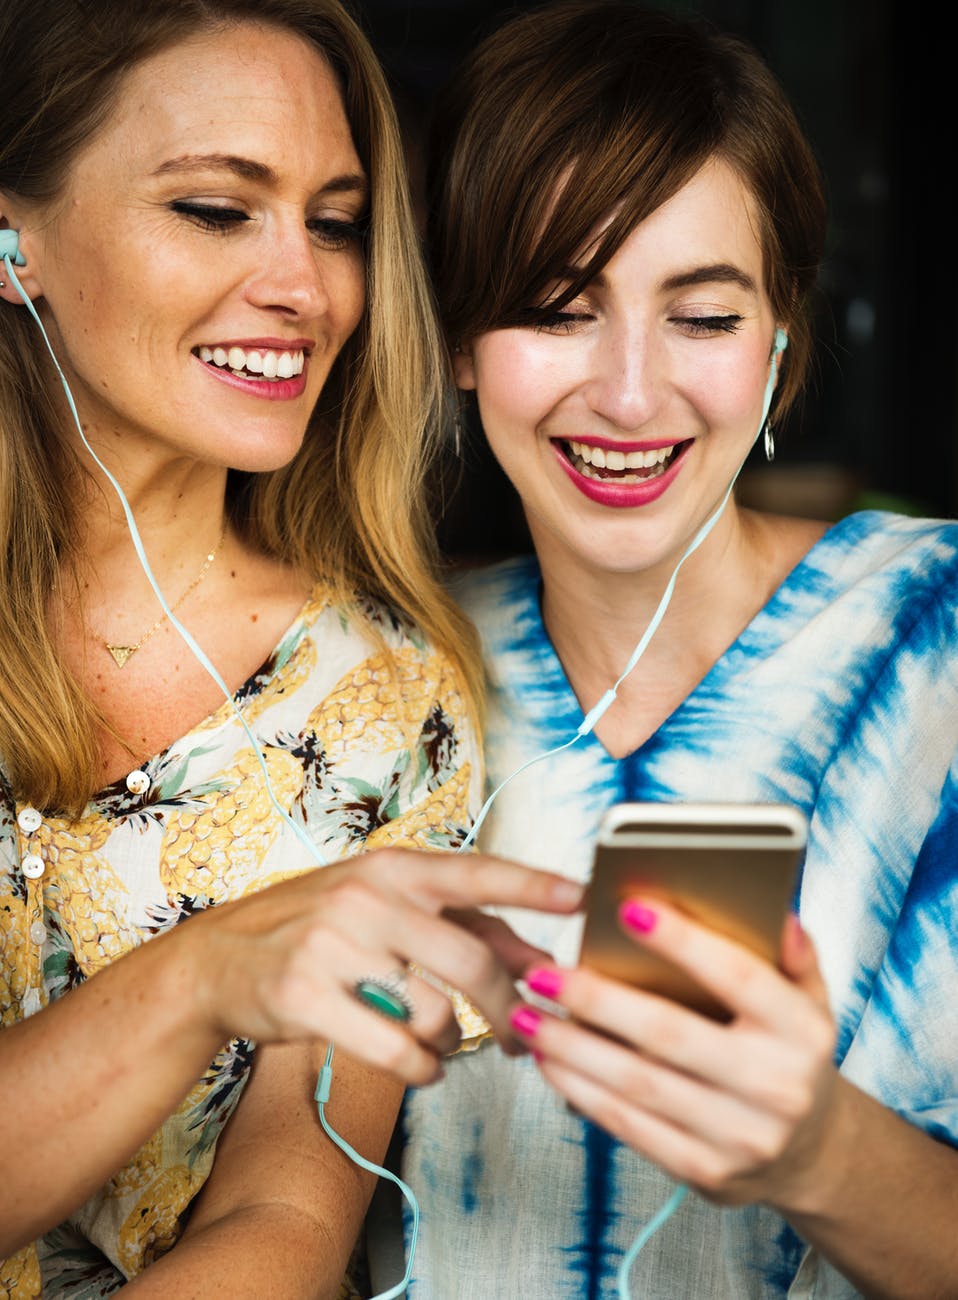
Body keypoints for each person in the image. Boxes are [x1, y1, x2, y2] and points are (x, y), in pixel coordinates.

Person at [0, 2, 583, 1295]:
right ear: (13, 238)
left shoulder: (383, 709)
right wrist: (204, 976)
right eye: (215, 208)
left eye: (333, 222)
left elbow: (289, 1220)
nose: (305, 287)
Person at [380, 4, 958, 1297]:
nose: (630, 394)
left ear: (780, 341)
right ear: (462, 342)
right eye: (555, 308)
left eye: (700, 317)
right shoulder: (374, 674)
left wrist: (817, 1154)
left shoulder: (937, 642)